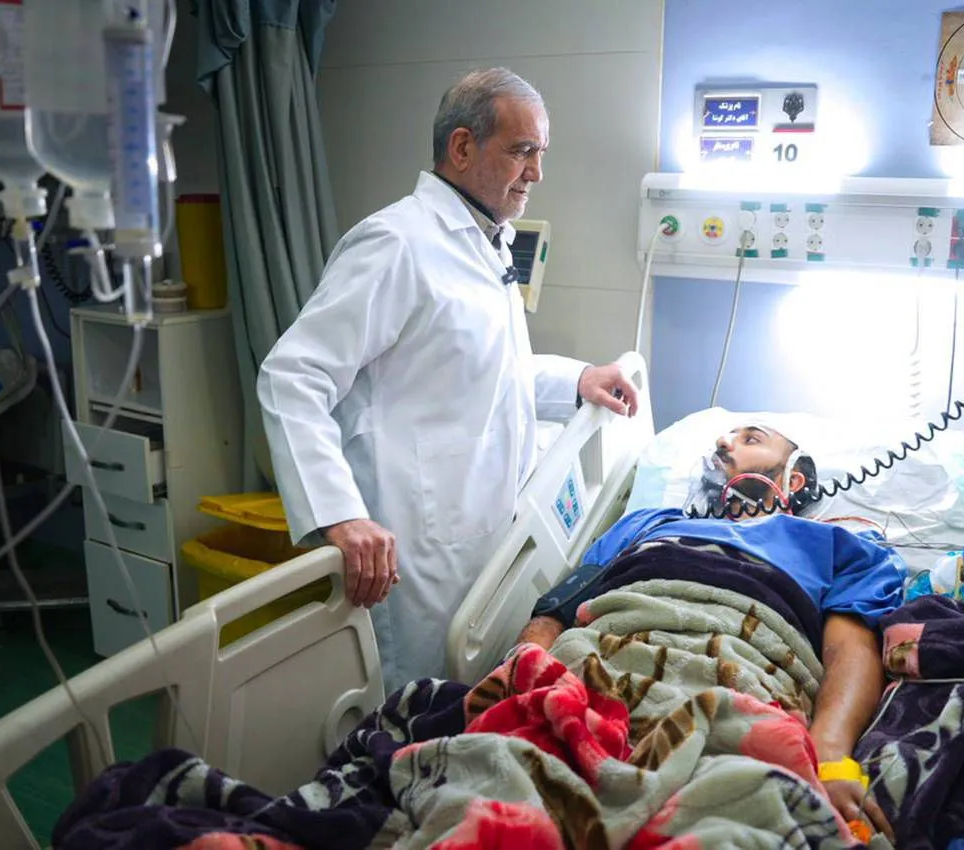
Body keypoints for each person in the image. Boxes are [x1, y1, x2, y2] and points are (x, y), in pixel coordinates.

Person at [257, 67, 639, 692]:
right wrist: (340, 516)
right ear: (462, 147)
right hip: (416, 544)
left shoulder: (488, 241)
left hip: (483, 537)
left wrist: (579, 381)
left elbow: (483, 370)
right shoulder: (395, 243)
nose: (537, 173)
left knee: (465, 705)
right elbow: (292, 376)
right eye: (522, 151)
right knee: (410, 707)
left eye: (541, 154)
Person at [513, 423, 905, 842]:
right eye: (725, 437)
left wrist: (828, 755)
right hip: (596, 661)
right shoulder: (647, 523)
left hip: (743, 679)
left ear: (794, 479)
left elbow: (850, 650)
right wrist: (524, 676)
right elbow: (557, 610)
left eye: (751, 439)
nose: (723, 442)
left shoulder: (838, 545)